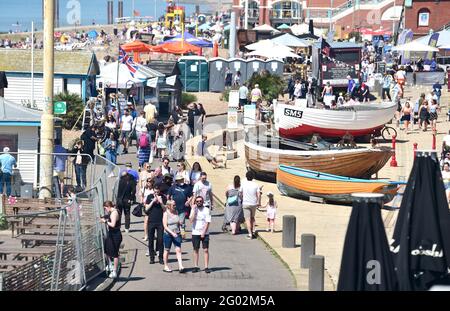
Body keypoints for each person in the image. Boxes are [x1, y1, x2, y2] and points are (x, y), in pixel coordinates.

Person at [189, 196, 212, 273]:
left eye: (200, 201)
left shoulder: (206, 210)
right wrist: (194, 212)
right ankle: (196, 266)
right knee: (196, 250)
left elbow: (207, 222)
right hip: (195, 232)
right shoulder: (193, 209)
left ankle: (206, 267)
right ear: (195, 202)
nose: (199, 202)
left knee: (205, 250)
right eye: (197, 201)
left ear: (203, 202)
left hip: (204, 233)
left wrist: (203, 232)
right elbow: (191, 221)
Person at [145, 185, 166, 265]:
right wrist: (152, 201)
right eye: (155, 191)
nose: (156, 193)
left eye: (158, 192)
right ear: (153, 190)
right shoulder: (149, 196)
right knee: (150, 241)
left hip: (160, 221)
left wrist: (161, 202)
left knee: (160, 240)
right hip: (151, 221)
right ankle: (152, 258)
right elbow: (146, 209)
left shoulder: (163, 197)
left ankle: (161, 258)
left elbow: (165, 209)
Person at [162, 200, 185, 273]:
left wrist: (180, 225)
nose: (175, 206)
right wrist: (172, 233)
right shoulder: (166, 214)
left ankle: (180, 266)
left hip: (177, 233)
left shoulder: (176, 212)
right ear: (168, 206)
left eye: (175, 205)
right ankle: (166, 266)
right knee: (167, 250)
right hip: (168, 234)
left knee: (178, 249)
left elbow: (178, 223)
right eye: (173, 205)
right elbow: (165, 226)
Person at [101, 201, 122, 279]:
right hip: (111, 234)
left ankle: (114, 271)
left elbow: (113, 224)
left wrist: (105, 221)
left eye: (105, 208)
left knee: (115, 253)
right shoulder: (112, 211)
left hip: (116, 235)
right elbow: (108, 216)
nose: (105, 210)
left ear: (108, 206)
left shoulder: (114, 213)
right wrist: (104, 217)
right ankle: (110, 264)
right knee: (106, 250)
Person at [240, 171, 261, 239]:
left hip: (246, 203)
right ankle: (253, 231)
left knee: (247, 219)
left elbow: (240, 193)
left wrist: (242, 198)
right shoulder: (256, 184)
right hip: (254, 203)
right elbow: (258, 194)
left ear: (246, 177)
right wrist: (258, 202)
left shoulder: (244, 184)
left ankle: (250, 234)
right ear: (253, 177)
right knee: (252, 217)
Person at [141, 177, 155, 243]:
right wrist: (142, 201)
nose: (149, 183)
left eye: (150, 181)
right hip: (145, 206)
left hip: (153, 206)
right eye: (148, 181)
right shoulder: (144, 188)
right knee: (146, 222)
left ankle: (152, 234)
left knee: (152, 221)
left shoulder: (154, 189)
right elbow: (142, 195)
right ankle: (146, 235)